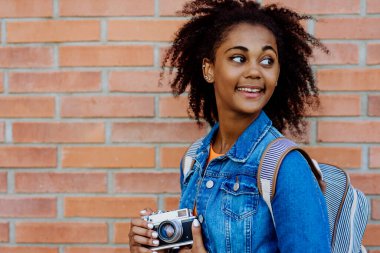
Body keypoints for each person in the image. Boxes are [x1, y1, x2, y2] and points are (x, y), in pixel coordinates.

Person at [128, 0, 331, 252]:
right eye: (238, 58)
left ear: (277, 73)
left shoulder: (286, 166)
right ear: (209, 69)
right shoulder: (194, 160)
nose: (255, 71)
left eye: (267, 61)